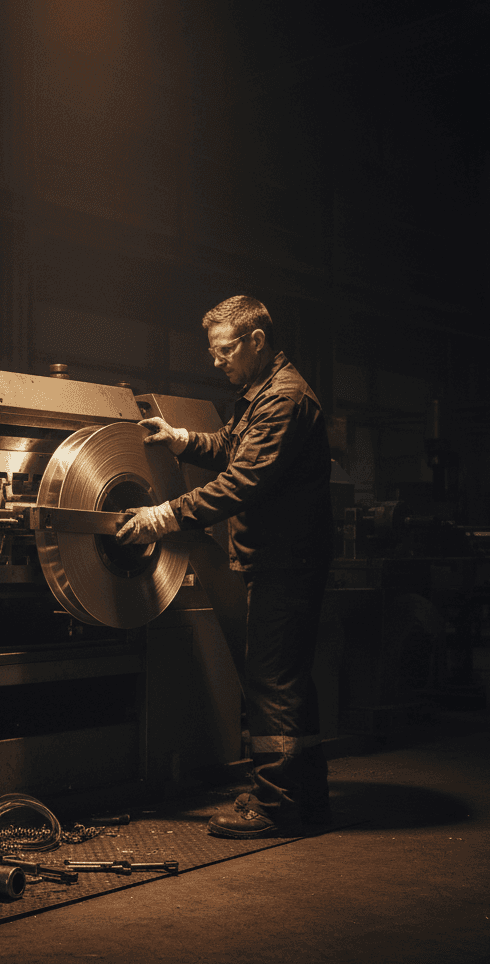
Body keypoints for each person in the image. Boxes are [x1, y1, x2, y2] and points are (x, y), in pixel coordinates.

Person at [116, 295, 333, 838]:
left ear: (257, 340)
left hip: (286, 562)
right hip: (282, 559)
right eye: (212, 352)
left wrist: (166, 515)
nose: (217, 362)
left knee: (271, 683)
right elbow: (237, 450)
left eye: (225, 350)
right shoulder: (260, 393)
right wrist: (183, 440)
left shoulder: (283, 399)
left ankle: (278, 806)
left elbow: (243, 482)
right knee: (287, 682)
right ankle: (305, 794)